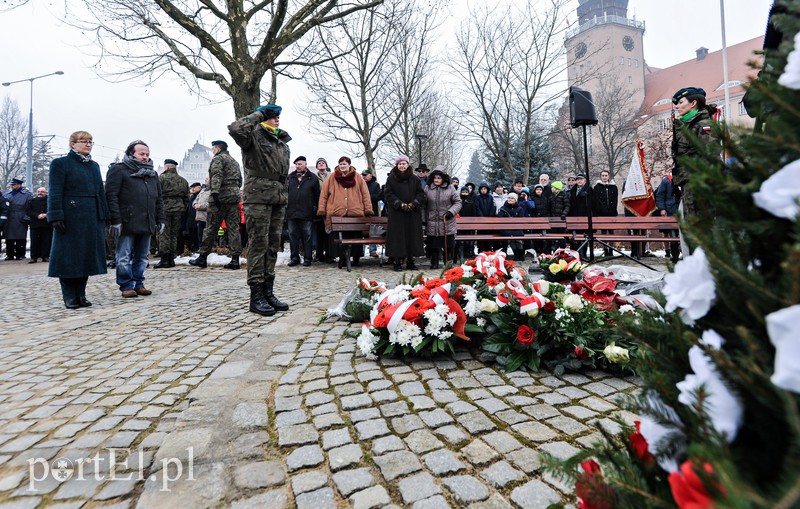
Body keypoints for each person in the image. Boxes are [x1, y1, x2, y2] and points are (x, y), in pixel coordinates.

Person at [228, 104, 291, 316]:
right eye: (271, 116)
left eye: (277, 116)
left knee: (273, 246)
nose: (276, 119)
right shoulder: (252, 136)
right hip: (258, 198)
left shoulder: (281, 141)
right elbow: (236, 128)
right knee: (258, 245)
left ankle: (268, 291)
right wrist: (258, 114)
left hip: (277, 198)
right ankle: (256, 296)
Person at [47, 131, 109, 308]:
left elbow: (100, 192)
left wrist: (104, 214)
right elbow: (55, 191)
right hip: (70, 216)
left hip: (91, 217)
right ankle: (69, 296)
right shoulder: (60, 164)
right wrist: (56, 215)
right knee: (68, 257)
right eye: (83, 141)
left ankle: (81, 294)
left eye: (90, 142)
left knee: (86, 257)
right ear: (72, 144)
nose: (88, 144)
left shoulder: (94, 166)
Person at [106, 140, 165, 298]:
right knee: (124, 256)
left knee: (142, 256)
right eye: (141, 154)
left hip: (147, 221)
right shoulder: (119, 170)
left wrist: (161, 219)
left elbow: (158, 199)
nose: (145, 157)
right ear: (131, 154)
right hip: (127, 221)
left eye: (147, 154)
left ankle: (139, 283)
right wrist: (115, 219)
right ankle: (126, 285)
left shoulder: (152, 174)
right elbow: (111, 196)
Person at [189, 140, 243, 270]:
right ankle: (235, 259)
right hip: (233, 197)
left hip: (220, 198)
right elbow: (240, 181)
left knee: (211, 228)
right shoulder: (234, 161)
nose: (212, 151)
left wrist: (215, 193)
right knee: (233, 229)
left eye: (213, 149)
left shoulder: (218, 159)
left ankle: (202, 257)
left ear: (217, 148)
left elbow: (217, 175)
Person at [318, 155, 373, 269]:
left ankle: (356, 259)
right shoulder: (332, 178)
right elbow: (323, 195)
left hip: (355, 213)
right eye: (341, 164)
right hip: (338, 213)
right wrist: (322, 210)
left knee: (356, 237)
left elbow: (365, 194)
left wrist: (368, 209)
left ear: (349, 165)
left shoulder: (358, 177)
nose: (342, 166)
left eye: (345, 164)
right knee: (342, 238)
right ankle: (343, 259)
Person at [672, 86, 717, 218]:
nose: (677, 107)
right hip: (688, 182)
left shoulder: (703, 124)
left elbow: (711, 156)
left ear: (693, 103)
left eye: (681, 103)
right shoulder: (686, 125)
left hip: (699, 183)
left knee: (700, 226)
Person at [383, 155, 425, 272]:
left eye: (404, 163)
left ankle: (410, 261)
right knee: (398, 237)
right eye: (400, 164)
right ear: (397, 165)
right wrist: (399, 204)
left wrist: (414, 203)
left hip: (412, 213)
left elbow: (421, 194)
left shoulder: (415, 179)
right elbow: (388, 194)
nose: (402, 166)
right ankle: (397, 262)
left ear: (408, 165)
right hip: (397, 213)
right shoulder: (391, 178)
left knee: (411, 237)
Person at [154, 158, 189, 268]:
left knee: (164, 233)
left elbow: (156, 194)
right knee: (174, 234)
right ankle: (171, 259)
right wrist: (182, 208)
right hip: (178, 209)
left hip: (165, 208)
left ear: (167, 167)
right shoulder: (183, 180)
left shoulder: (161, 178)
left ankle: (164, 259)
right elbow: (187, 198)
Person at [286, 156, 320, 267]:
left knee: (307, 236)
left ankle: (307, 258)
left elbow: (317, 196)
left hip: (306, 213)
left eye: (300, 164)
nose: (298, 166)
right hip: (291, 213)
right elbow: (285, 194)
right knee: (292, 236)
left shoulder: (313, 178)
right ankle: (294, 258)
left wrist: (314, 209)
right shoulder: (290, 177)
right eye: (296, 164)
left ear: (305, 164)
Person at [424, 169, 461, 269]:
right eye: (435, 178)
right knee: (433, 243)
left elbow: (458, 202)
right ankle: (434, 261)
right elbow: (424, 204)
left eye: (439, 178)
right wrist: (423, 218)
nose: (436, 180)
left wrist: (451, 212)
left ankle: (448, 262)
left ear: (443, 179)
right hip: (432, 220)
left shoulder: (450, 188)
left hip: (447, 220)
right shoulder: (428, 188)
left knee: (448, 244)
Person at [3, 177, 32, 260]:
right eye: (12, 185)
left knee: (20, 237)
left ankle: (20, 254)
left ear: (19, 185)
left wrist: (26, 218)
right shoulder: (7, 194)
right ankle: (10, 254)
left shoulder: (27, 195)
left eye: (14, 184)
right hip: (9, 217)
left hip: (20, 216)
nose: (12, 186)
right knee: (9, 237)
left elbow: (29, 207)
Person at [654, 172, 681, 263]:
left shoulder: (684, 180)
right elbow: (659, 195)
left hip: (682, 209)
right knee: (672, 234)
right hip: (670, 210)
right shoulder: (667, 180)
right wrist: (662, 209)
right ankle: (675, 256)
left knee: (681, 234)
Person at [593, 170, 619, 256]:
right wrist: (602, 210)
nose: (604, 177)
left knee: (611, 232)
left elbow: (615, 200)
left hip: (612, 213)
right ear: (600, 177)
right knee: (603, 232)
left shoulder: (613, 187)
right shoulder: (597, 187)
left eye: (606, 175)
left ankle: (611, 249)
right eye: (603, 175)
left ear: (608, 177)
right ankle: (605, 249)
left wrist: (611, 210)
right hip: (601, 213)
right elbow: (596, 201)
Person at [25, 187, 52, 263]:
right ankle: (34, 257)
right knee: (34, 241)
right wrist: (37, 215)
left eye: (42, 192)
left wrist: (46, 215)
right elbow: (28, 211)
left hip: (47, 224)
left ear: (46, 193)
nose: (40, 193)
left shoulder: (50, 201)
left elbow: (52, 209)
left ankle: (45, 256)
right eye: (38, 191)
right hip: (35, 224)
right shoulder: (32, 201)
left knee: (46, 241)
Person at [497, 193, 525, 261]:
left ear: (515, 200)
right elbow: (500, 218)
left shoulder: (519, 208)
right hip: (506, 228)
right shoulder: (503, 208)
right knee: (510, 235)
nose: (510, 199)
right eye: (509, 198)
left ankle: (520, 254)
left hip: (516, 228)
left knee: (518, 237)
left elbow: (521, 220)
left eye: (512, 198)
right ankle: (516, 253)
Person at [362, 168, 382, 258]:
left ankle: (372, 250)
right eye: (363, 175)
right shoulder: (360, 184)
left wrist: (366, 197)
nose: (364, 176)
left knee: (373, 231)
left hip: (373, 211)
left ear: (370, 175)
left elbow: (378, 196)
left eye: (365, 175)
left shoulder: (376, 185)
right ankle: (361, 250)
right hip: (361, 211)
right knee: (360, 230)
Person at [474, 181, 496, 254]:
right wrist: (482, 217)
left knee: (489, 236)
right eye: (482, 189)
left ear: (487, 190)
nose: (483, 190)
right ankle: (481, 250)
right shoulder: (478, 198)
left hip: (489, 220)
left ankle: (489, 250)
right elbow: (477, 208)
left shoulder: (490, 198)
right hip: (480, 220)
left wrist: (489, 217)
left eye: (485, 189)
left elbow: (493, 207)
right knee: (481, 236)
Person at [456, 185, 476, 261]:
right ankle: (459, 252)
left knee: (468, 240)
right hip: (459, 224)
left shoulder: (471, 202)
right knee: (460, 239)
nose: (464, 193)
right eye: (463, 192)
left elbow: (474, 213)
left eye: (466, 192)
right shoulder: (458, 201)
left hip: (469, 224)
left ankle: (468, 252)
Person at [548, 181, 570, 250]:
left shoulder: (563, 195)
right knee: (554, 234)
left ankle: (562, 249)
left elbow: (567, 206)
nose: (551, 188)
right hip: (553, 219)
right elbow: (549, 207)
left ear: (556, 188)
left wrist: (564, 214)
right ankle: (555, 248)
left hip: (561, 218)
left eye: (552, 187)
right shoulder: (551, 196)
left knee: (561, 234)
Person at [185, 182, 204, 252]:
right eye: (191, 188)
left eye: (194, 187)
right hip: (191, 220)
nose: (192, 189)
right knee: (192, 236)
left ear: (199, 187)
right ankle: (194, 248)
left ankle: (198, 249)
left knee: (198, 236)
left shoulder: (200, 195)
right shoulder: (192, 197)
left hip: (198, 219)